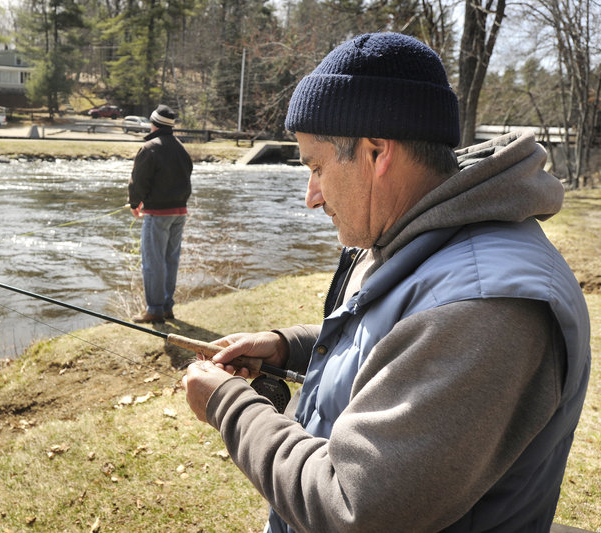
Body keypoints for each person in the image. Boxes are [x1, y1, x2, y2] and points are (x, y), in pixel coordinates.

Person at [182, 32, 591, 532]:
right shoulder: (422, 236)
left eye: (316, 167)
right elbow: (396, 339)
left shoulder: (488, 307)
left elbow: (352, 507)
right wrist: (287, 347)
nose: (311, 196)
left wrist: (229, 406)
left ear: (378, 153)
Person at [128, 104, 193, 323]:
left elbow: (139, 180)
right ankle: (166, 307)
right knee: (170, 260)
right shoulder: (181, 148)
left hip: (158, 213)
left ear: (153, 124)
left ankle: (154, 310)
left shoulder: (150, 147)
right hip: (180, 212)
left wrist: (134, 203)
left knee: (152, 261)